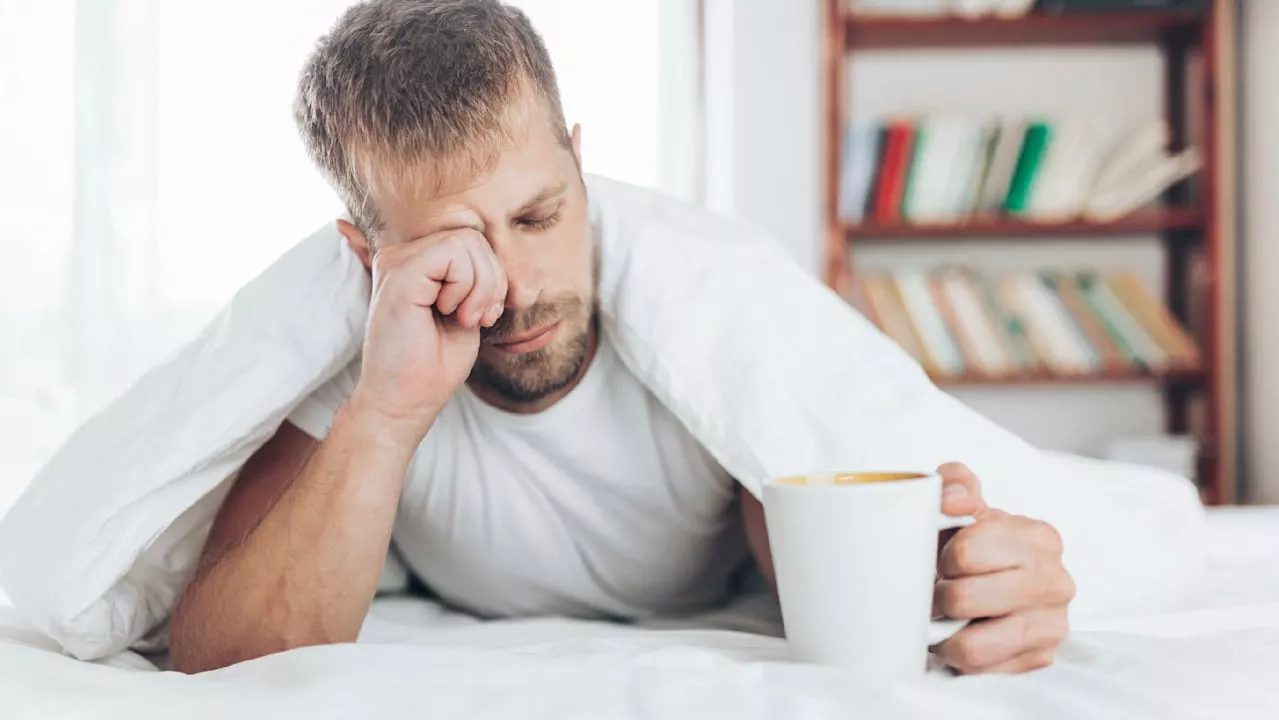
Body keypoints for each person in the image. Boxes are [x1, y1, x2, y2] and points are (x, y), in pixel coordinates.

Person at [168, 0, 1074, 675]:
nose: (516, 290)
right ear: (367, 255)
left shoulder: (706, 309)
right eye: (454, 250)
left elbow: (840, 579)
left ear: (577, 159)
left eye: (538, 214)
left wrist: (972, 589)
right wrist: (387, 412)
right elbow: (222, 654)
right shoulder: (362, 338)